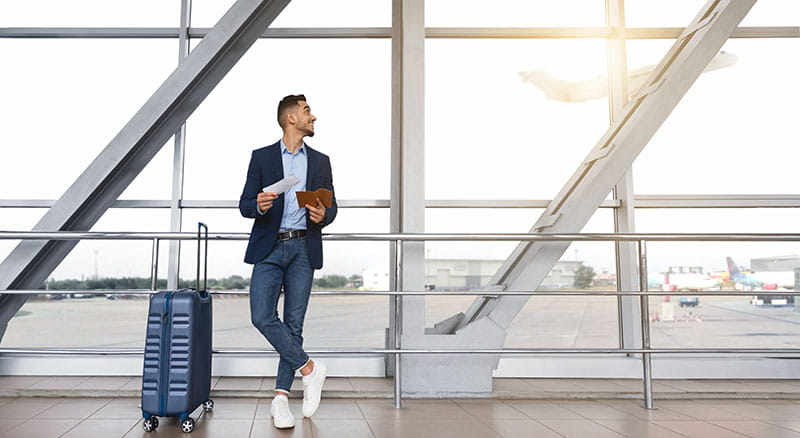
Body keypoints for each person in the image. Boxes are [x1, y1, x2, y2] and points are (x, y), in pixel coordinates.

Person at [239, 94, 337, 429]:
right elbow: (245, 203)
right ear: (290, 118)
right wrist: (259, 204)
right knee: (261, 315)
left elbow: (331, 207)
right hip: (269, 248)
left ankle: (281, 398)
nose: (314, 117)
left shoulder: (321, 161)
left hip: (303, 250)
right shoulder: (262, 157)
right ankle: (310, 369)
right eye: (308, 111)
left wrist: (323, 214)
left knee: (294, 325)